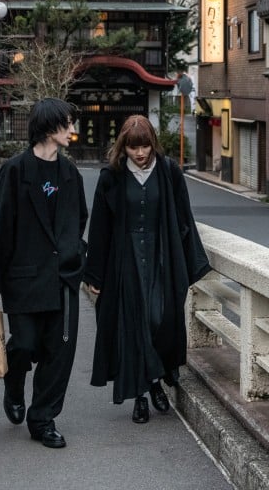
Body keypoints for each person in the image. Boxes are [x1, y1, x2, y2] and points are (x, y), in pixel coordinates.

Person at [0, 98, 87, 449]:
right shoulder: (15, 171)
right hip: (23, 278)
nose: (73, 130)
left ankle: (43, 419)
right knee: (23, 344)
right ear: (49, 126)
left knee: (60, 353)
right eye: (68, 123)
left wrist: (76, 258)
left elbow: (79, 219)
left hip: (63, 278)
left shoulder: (71, 174)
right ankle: (13, 383)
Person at [85, 115, 210, 424]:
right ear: (123, 147)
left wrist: (189, 261)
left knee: (160, 318)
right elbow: (100, 228)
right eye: (133, 148)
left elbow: (184, 218)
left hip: (160, 256)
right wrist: (94, 275)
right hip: (124, 260)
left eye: (144, 146)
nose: (140, 154)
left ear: (153, 143)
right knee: (133, 325)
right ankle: (143, 394)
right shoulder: (111, 177)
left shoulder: (168, 172)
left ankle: (155, 379)